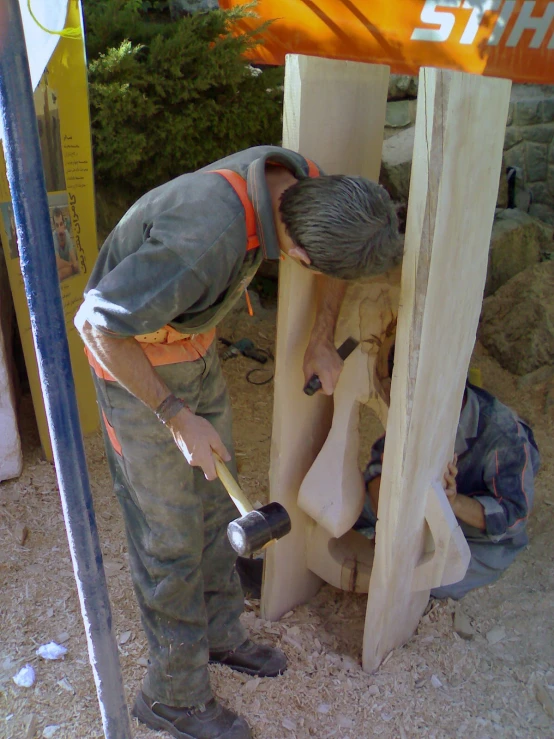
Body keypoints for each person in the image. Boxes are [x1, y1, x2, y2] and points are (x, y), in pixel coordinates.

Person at [74, 145, 402, 739]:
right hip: (135, 375)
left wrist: (322, 339)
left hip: (193, 353)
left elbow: (334, 269)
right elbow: (95, 323)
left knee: (214, 508)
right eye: (309, 263)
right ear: (296, 250)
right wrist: (174, 415)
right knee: (168, 536)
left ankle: (222, 634)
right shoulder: (204, 236)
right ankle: (171, 696)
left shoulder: (307, 187)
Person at [357, 350, 540, 601]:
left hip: (472, 531)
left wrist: (452, 502)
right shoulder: (414, 407)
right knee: (344, 510)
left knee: (426, 583)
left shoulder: (503, 434)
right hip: (412, 512)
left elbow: (513, 517)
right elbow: (379, 466)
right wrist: (388, 523)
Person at [52, 207, 78, 281]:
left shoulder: (67, 235)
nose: (60, 229)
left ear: (64, 224)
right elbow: (57, 262)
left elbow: (74, 262)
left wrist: (72, 265)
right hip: (63, 269)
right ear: (54, 227)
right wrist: (70, 265)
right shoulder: (54, 238)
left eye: (61, 224)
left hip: (67, 269)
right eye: (57, 225)